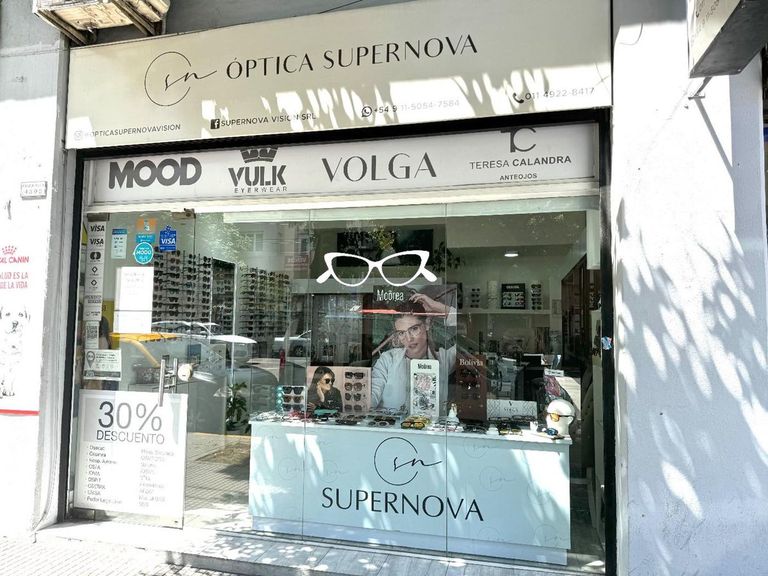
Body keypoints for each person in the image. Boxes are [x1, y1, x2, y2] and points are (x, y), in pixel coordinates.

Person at [370, 293, 456, 412]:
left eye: (414, 329)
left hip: (430, 424)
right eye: (401, 333)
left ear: (427, 324)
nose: (409, 339)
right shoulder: (388, 359)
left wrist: (439, 308)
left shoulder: (444, 359)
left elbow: (473, 329)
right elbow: (371, 396)